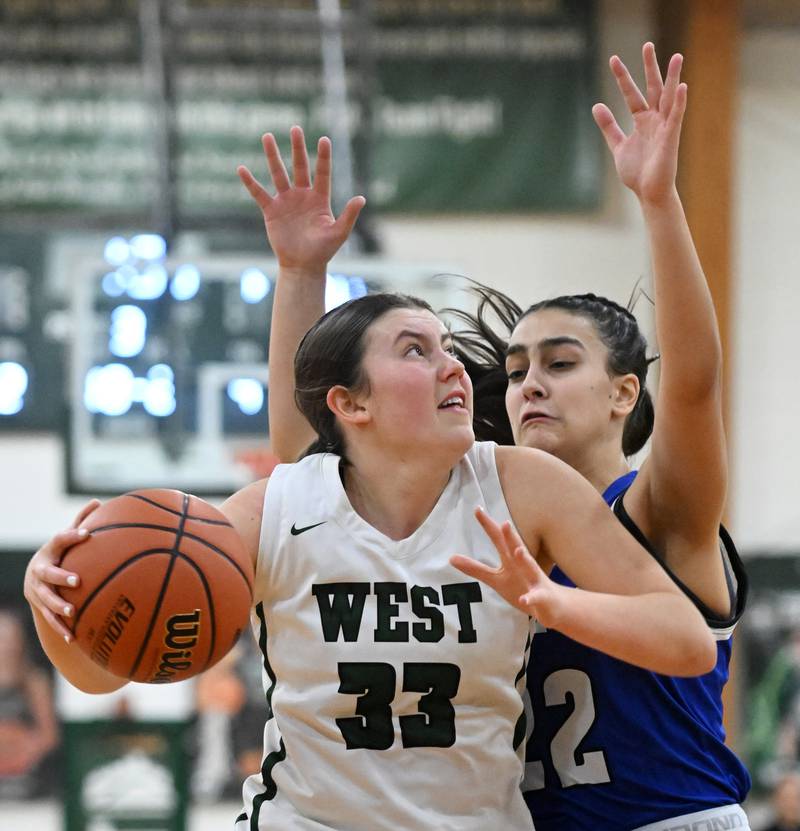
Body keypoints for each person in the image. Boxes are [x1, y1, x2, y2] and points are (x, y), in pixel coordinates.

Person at [256, 44, 751, 831]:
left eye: (560, 362)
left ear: (626, 390)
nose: (528, 384)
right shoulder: (497, 505)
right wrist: (300, 276)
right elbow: (309, 450)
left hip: (667, 819)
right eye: (516, 369)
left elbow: (694, 385)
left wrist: (658, 202)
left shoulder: (656, 511)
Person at [25, 289, 715, 829]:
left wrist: (551, 601)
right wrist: (51, 604)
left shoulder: (523, 486)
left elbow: (688, 642)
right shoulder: (279, 507)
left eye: (447, 347)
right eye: (415, 351)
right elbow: (97, 671)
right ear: (349, 402)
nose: (451, 365)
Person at [0, 607, 59, 799]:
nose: (6, 646)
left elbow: (50, 737)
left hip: (29, 780)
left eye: (11, 638)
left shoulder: (35, 681)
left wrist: (19, 750)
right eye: (1, 639)